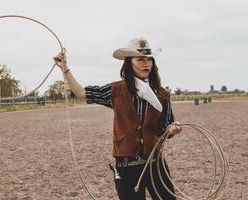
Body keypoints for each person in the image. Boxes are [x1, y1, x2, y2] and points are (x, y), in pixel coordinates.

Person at [54, 38, 182, 200]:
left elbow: (166, 126)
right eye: (140, 59)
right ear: (130, 62)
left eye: (149, 59)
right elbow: (81, 93)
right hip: (127, 166)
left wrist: (173, 130)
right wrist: (64, 68)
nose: (146, 64)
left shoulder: (162, 94)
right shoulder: (116, 90)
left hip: (155, 164)